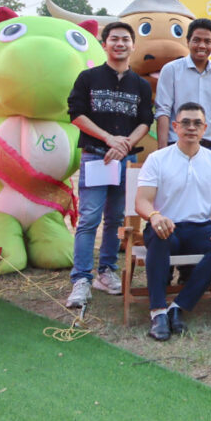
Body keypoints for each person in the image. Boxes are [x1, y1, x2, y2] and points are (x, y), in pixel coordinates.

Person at [65, 21, 154, 308]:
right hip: (95, 156)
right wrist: (108, 139)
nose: (120, 44)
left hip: (125, 160)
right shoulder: (88, 78)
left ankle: (106, 271)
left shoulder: (140, 85)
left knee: (116, 219)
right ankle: (81, 278)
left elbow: (145, 121)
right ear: (104, 44)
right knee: (89, 219)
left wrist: (124, 145)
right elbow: (76, 113)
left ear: (133, 46)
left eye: (125, 39)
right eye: (114, 39)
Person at [135, 103, 211, 341]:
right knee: (160, 235)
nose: (191, 127)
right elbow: (142, 201)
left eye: (197, 123)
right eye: (185, 123)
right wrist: (155, 216)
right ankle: (158, 312)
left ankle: (178, 306)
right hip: (166, 225)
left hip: (199, 228)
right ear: (175, 126)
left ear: (205, 128)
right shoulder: (157, 159)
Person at [154, 18, 211, 157]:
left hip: (209, 148)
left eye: (207, 41)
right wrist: (163, 152)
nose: (202, 45)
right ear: (187, 41)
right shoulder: (171, 70)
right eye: (196, 40)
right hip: (176, 146)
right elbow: (163, 111)